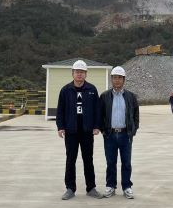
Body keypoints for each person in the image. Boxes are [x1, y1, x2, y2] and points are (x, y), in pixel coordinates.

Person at [56, 59, 103, 200]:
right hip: (71, 131)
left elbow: (97, 110)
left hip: (87, 131)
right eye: (77, 72)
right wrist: (60, 127)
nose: (79, 74)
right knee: (70, 160)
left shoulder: (92, 90)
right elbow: (60, 110)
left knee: (88, 159)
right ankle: (70, 188)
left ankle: (91, 188)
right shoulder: (65, 90)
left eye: (82, 72)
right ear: (72, 73)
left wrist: (97, 126)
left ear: (86, 74)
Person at [99, 66, 139, 199]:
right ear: (111, 79)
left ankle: (127, 187)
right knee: (111, 162)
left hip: (125, 134)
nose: (117, 80)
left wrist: (133, 130)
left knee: (126, 162)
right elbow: (100, 115)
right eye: (115, 77)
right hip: (109, 135)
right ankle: (110, 186)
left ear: (124, 80)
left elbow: (136, 115)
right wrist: (103, 130)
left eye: (120, 78)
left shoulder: (131, 96)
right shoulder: (104, 96)